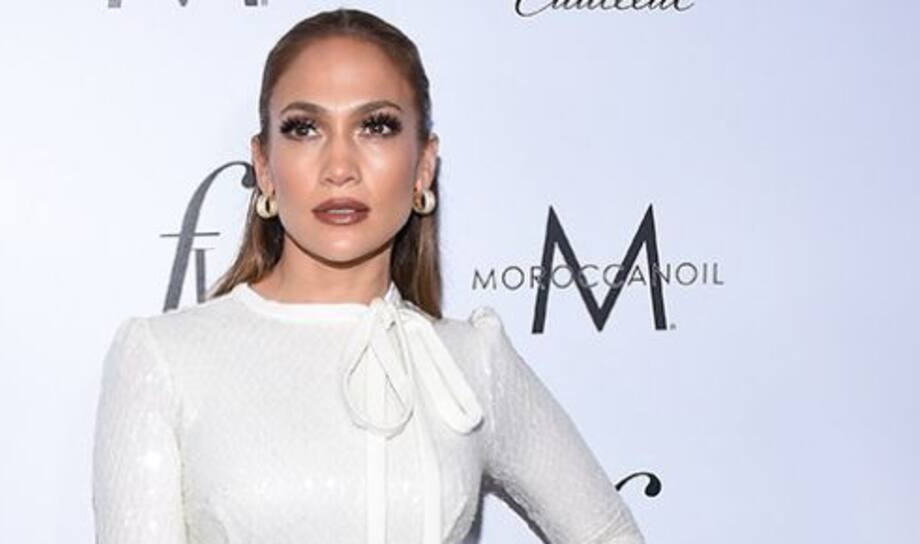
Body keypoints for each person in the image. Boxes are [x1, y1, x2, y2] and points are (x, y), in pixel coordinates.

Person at [92, 7, 645, 544]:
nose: (340, 168)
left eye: (375, 127)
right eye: (305, 128)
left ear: (423, 165)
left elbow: (608, 533)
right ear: (264, 166)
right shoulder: (164, 358)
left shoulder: (470, 362)